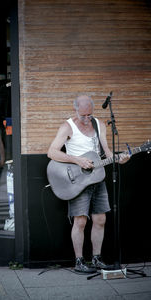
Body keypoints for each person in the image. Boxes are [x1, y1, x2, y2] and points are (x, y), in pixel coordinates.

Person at [47, 94, 130, 273]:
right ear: (75, 110)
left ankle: (97, 259)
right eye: (83, 115)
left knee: (100, 219)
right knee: (80, 221)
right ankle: (79, 261)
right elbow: (52, 152)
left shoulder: (99, 125)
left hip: (97, 177)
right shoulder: (67, 126)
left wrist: (119, 159)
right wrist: (77, 160)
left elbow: (106, 151)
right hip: (76, 180)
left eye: (89, 115)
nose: (86, 119)